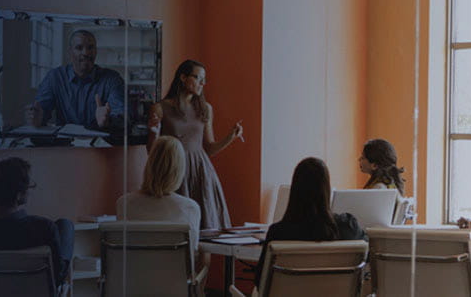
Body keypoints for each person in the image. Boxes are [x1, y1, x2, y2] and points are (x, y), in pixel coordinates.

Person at [147, 59, 245, 229]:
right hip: (174, 171)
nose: (203, 83)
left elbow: (209, 148)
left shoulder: (205, 109)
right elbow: (152, 151)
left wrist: (231, 137)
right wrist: (152, 132)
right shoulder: (160, 108)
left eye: (204, 79)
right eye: (198, 78)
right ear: (183, 78)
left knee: (205, 231)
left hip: (201, 171)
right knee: (178, 229)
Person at [0, 157, 74, 292]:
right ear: (18, 195)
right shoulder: (44, 229)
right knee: (65, 225)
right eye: (29, 186)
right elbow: (57, 277)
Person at [253, 157, 366, 287]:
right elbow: (366, 257)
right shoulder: (347, 226)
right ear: (326, 188)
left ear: (295, 190)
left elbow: (261, 281)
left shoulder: (278, 232)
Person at [116, 136, 207, 271]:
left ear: (149, 164)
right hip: (173, 287)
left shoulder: (124, 203)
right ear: (179, 170)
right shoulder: (190, 208)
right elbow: (191, 257)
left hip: (133, 286)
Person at [25, 29, 126, 130]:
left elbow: (122, 117)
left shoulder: (112, 79)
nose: (86, 53)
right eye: (79, 48)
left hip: (100, 143)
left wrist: (109, 121)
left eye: (90, 47)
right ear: (70, 52)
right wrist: (37, 118)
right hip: (65, 143)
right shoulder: (55, 77)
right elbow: (41, 110)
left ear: (96, 51)